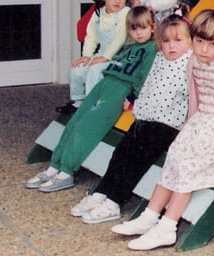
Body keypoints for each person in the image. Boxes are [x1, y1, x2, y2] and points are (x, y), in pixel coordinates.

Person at [110, 9, 214, 250]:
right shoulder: (193, 61)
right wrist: (189, 125)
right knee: (174, 157)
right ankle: (149, 216)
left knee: (186, 166)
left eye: (212, 44)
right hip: (200, 121)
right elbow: (195, 98)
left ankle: (167, 226)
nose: (204, 49)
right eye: (199, 42)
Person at [69, 14, 192, 225]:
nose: (171, 46)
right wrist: (136, 101)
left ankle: (115, 201)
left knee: (137, 159)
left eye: (178, 40)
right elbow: (148, 83)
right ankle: (102, 191)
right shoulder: (160, 57)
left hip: (166, 125)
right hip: (145, 117)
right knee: (121, 152)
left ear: (189, 41)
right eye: (166, 41)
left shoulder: (191, 62)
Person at [25, 7, 157, 193]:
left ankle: (67, 172)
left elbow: (146, 77)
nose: (138, 33)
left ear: (153, 27)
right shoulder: (128, 46)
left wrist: (132, 96)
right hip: (105, 84)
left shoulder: (152, 49)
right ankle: (55, 166)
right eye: (134, 29)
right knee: (75, 122)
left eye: (143, 28)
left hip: (119, 90)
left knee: (87, 127)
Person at [59, 0, 131, 113]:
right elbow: (91, 36)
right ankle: (77, 101)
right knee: (77, 69)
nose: (118, 1)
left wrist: (105, 57)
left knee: (95, 70)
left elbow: (120, 38)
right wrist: (86, 55)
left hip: (119, 58)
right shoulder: (98, 13)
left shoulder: (125, 13)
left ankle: (92, 104)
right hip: (102, 54)